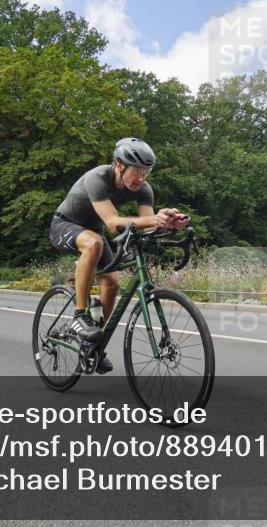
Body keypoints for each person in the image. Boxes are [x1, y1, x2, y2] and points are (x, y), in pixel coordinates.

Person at [50, 137, 189, 374]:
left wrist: (169, 223)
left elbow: (148, 225)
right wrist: (155, 219)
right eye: (136, 170)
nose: (141, 177)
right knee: (93, 243)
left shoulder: (144, 189)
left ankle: (91, 344)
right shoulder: (98, 178)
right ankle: (79, 315)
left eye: (146, 171)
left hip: (94, 229)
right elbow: (114, 223)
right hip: (64, 224)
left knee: (113, 283)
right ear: (118, 165)